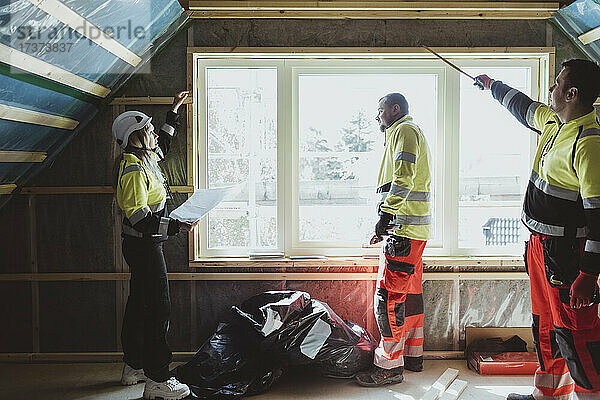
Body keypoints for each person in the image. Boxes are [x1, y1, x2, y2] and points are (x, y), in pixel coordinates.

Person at [474, 59, 600, 400]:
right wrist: (492, 85)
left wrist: (588, 275)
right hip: (540, 246)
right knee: (545, 325)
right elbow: (524, 108)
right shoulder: (554, 123)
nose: (550, 89)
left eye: (556, 83)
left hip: (567, 255)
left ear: (572, 94)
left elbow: (599, 217)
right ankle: (549, 395)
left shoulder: (589, 142)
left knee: (575, 331)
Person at [112, 91, 197, 400]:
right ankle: (158, 381)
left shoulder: (146, 159)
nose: (153, 134)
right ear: (135, 137)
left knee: (139, 305)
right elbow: (139, 220)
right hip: (145, 247)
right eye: (147, 130)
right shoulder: (134, 170)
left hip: (145, 246)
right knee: (158, 309)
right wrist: (177, 226)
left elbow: (166, 141)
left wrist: (174, 110)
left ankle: (133, 366)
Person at [355, 93, 432, 387]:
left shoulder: (404, 131)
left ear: (395, 109)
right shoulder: (406, 133)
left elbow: (404, 178)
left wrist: (385, 217)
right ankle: (412, 357)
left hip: (402, 231)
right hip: (410, 232)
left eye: (380, 110)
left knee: (388, 299)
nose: (378, 116)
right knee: (409, 294)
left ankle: (388, 367)